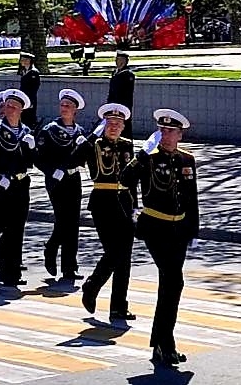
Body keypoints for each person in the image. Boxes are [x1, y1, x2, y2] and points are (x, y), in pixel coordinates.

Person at [121, 109, 200, 367]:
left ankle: (162, 344)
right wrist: (143, 154)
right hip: (155, 227)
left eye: (170, 131)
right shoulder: (149, 159)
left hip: (178, 230)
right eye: (162, 131)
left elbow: (191, 198)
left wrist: (193, 231)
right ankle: (166, 344)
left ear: (180, 134)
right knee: (173, 281)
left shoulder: (187, 160)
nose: (165, 135)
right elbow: (125, 178)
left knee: (171, 285)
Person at [79, 103, 137, 321]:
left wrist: (137, 208)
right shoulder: (93, 144)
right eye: (110, 123)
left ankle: (118, 306)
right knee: (114, 251)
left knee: (125, 256)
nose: (114, 127)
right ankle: (92, 285)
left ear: (123, 127)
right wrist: (88, 137)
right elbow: (74, 157)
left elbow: (131, 179)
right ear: (104, 125)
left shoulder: (127, 146)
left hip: (124, 201)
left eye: (118, 124)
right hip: (103, 201)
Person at [0, 89, 37, 287]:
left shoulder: (26, 131)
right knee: (6, 222)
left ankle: (10, 262)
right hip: (1, 183)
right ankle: (8, 269)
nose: (10, 109)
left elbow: (31, 162)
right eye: (8, 105)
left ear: (21, 110)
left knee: (18, 225)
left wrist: (31, 148)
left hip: (21, 182)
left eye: (14, 106)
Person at [35, 89, 88, 280]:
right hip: (56, 181)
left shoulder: (80, 132)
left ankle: (69, 267)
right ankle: (51, 249)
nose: (64, 108)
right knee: (63, 219)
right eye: (62, 105)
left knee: (73, 223)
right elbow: (39, 158)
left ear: (75, 110)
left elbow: (84, 158)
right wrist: (52, 171)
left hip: (73, 179)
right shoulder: (49, 130)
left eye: (68, 106)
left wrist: (85, 148)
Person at [107, 51, 137, 139]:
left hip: (123, 105)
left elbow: (126, 94)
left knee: (125, 127)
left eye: (120, 60)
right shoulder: (115, 73)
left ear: (125, 61)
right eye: (116, 60)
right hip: (112, 104)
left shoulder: (128, 75)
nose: (117, 62)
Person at [18, 51, 41, 128]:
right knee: (23, 116)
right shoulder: (24, 71)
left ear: (28, 60)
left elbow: (34, 88)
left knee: (29, 116)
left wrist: (31, 101)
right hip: (23, 98)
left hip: (30, 98)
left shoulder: (33, 72)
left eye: (23, 59)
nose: (21, 61)